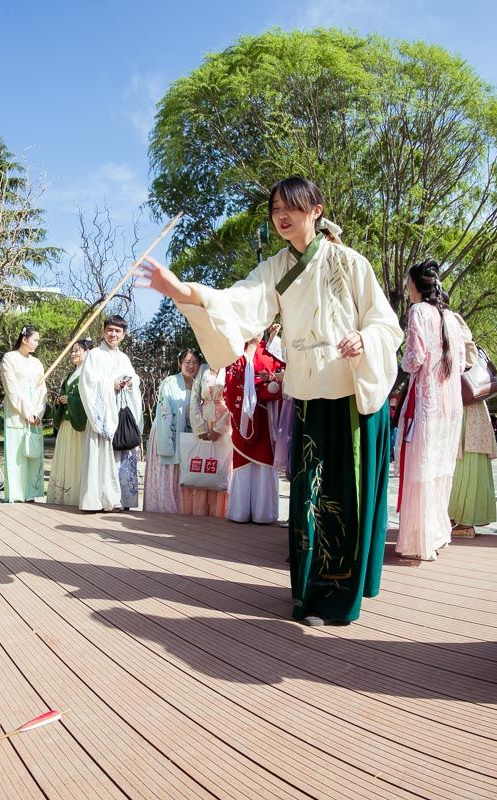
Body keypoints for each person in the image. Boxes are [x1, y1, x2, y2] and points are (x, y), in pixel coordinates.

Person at [139, 176, 402, 626]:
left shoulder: (350, 263)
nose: (283, 216)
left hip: (349, 393)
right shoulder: (278, 268)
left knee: (345, 496)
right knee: (307, 494)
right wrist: (183, 291)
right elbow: (240, 302)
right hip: (307, 394)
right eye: (276, 208)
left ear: (316, 209)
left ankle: (338, 593)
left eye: (293, 207)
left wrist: (365, 339)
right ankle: (309, 593)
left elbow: (386, 323)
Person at [394, 260, 466, 561]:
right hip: (449, 406)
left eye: (408, 281)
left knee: (420, 470)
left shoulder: (418, 312)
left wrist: (399, 361)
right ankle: (436, 534)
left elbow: (415, 359)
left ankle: (416, 540)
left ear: (416, 284)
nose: (406, 287)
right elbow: (461, 363)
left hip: (426, 402)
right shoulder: (451, 317)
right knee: (438, 471)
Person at [79, 315, 144, 511]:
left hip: (120, 412)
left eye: (117, 331)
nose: (113, 334)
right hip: (103, 412)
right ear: (103, 331)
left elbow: (135, 378)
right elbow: (87, 383)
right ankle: (99, 500)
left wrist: (131, 382)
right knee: (101, 454)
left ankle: (120, 500)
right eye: (110, 330)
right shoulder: (94, 355)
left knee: (121, 455)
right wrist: (110, 384)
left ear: (124, 335)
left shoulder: (124, 358)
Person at [223, 336, 286, 524]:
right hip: (243, 416)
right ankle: (240, 512)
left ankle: (263, 514)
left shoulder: (273, 349)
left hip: (267, 416)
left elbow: (284, 376)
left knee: (265, 461)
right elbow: (231, 383)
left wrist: (272, 381)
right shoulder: (235, 350)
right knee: (243, 463)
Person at [448, 314, 497, 537]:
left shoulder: (453, 323)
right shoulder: (451, 321)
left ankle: (464, 521)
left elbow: (467, 357)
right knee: (462, 460)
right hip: (468, 406)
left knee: (463, 460)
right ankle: (456, 517)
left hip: (465, 405)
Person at [143, 349, 203, 514]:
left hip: (186, 435)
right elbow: (165, 412)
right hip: (166, 430)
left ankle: (183, 508)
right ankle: (163, 507)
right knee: (167, 470)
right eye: (187, 362)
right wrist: (167, 441)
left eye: (195, 362)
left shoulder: (200, 384)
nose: (191, 366)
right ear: (180, 363)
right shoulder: (169, 382)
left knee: (182, 471)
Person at [1, 326, 46, 502]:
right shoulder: (9, 358)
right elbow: (11, 388)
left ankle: (32, 492)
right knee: (16, 455)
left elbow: (43, 390)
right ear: (24, 339)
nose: (37, 343)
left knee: (34, 454)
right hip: (16, 414)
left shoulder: (37, 363)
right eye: (35, 339)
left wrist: (37, 412)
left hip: (35, 417)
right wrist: (26, 412)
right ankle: (16, 494)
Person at [47, 339, 93, 506]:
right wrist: (60, 400)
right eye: (72, 351)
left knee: (77, 458)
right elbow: (63, 393)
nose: (73, 354)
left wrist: (71, 400)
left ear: (87, 352)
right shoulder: (69, 375)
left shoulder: (90, 374)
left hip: (79, 423)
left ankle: (76, 496)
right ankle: (63, 496)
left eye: (77, 350)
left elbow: (90, 399)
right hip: (67, 423)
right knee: (65, 457)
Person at [185, 365, 231, 517]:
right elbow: (195, 397)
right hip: (204, 417)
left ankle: (221, 511)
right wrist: (199, 426)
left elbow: (236, 395)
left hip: (225, 419)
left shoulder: (231, 366)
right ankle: (201, 511)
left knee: (222, 462)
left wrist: (220, 427)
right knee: (204, 462)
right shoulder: (203, 368)